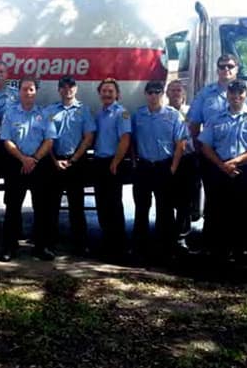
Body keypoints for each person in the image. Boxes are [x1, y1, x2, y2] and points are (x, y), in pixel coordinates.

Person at [198, 79, 247, 268]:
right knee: (219, 213)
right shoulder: (215, 119)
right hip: (220, 171)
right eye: (232, 93)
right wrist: (221, 165)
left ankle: (243, 257)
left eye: (240, 93)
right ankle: (220, 256)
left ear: (246, 95)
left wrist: (237, 161)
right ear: (227, 95)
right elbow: (205, 145)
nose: (236, 97)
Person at [187, 55, 247, 252]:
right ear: (217, 69)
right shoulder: (205, 94)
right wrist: (200, 153)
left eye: (230, 66)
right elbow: (194, 125)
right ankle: (214, 251)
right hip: (212, 160)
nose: (226, 69)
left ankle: (240, 251)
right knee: (215, 205)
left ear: (237, 69)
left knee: (242, 206)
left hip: (244, 163)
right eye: (222, 66)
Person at [0, 76, 57, 262]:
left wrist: (34, 159)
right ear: (19, 91)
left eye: (31, 89)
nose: (28, 92)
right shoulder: (10, 113)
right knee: (13, 207)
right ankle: (9, 247)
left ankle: (41, 247)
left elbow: (49, 140)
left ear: (35, 91)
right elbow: (7, 140)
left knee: (42, 208)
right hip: (16, 164)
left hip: (39, 164)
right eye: (24, 89)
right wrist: (23, 159)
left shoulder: (45, 114)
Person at [131, 81, 187, 261]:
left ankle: (165, 249)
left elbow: (181, 143)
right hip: (144, 167)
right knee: (141, 208)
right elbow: (130, 140)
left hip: (164, 166)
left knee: (165, 210)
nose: (153, 96)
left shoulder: (174, 115)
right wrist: (134, 161)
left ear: (163, 94)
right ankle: (140, 248)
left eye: (157, 92)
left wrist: (173, 167)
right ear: (146, 95)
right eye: (150, 92)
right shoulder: (138, 115)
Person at [43, 75, 95, 255]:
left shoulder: (84, 110)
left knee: (76, 206)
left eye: (71, 86)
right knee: (51, 206)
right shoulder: (50, 111)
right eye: (63, 87)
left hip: (76, 162)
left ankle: (80, 244)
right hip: (53, 162)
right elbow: (46, 138)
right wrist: (54, 160)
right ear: (59, 90)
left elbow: (88, 137)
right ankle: (49, 243)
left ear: (76, 89)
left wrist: (73, 159)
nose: (67, 90)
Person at [93, 78, 131, 263]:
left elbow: (125, 139)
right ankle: (107, 243)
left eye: (110, 91)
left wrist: (116, 162)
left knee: (114, 204)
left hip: (113, 162)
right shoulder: (100, 113)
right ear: (99, 94)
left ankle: (119, 247)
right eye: (104, 91)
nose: (107, 94)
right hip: (99, 162)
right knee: (102, 204)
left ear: (117, 94)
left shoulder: (121, 113)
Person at [166, 80, 201, 238]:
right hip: (169, 159)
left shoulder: (192, 113)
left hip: (188, 159)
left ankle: (182, 235)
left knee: (185, 200)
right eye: (172, 90)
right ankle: (167, 234)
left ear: (184, 94)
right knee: (168, 197)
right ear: (167, 94)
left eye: (178, 90)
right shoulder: (163, 113)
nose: (175, 93)